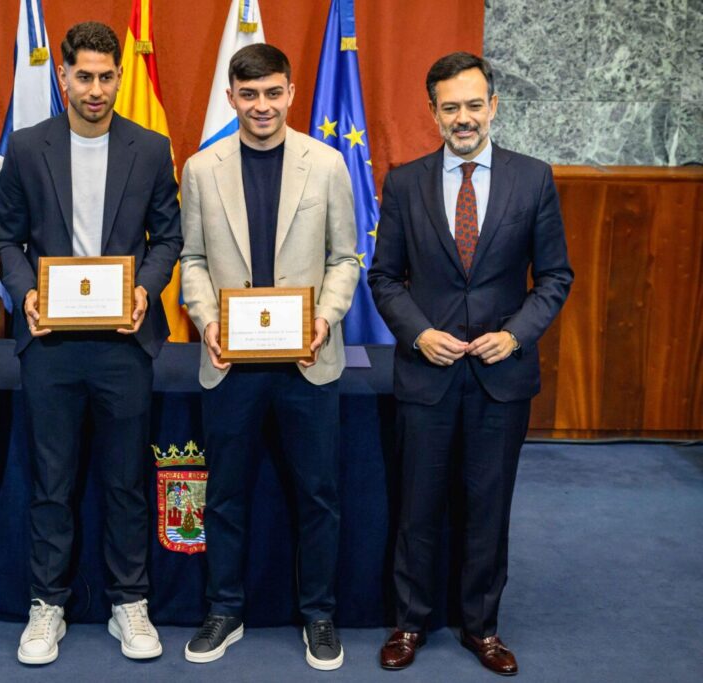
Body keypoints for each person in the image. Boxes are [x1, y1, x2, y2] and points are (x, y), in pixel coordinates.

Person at [368, 52, 573, 676]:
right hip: (426, 376)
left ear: (494, 106)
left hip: (500, 378)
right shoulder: (404, 182)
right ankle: (409, 623)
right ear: (432, 113)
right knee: (417, 506)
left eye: (474, 104)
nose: (464, 117)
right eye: (450, 106)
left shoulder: (532, 179)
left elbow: (555, 277)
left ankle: (482, 627)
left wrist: (513, 337)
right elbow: (384, 278)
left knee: (489, 506)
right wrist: (419, 333)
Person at [0, 21, 182, 664]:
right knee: (52, 480)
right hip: (49, 343)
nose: (96, 89)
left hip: (124, 342)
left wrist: (144, 291)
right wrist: (28, 296)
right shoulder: (25, 148)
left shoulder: (152, 149)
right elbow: (6, 240)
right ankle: (47, 605)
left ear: (119, 77)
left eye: (107, 77)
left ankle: (131, 603)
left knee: (127, 480)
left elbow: (169, 240)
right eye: (84, 76)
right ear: (63, 77)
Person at [178, 43, 359, 671]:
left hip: (308, 361)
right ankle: (224, 610)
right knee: (225, 495)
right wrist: (206, 323)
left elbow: (345, 258)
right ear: (231, 97)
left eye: (273, 92)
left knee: (318, 495)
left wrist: (324, 318)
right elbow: (192, 260)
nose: (262, 105)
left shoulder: (328, 163)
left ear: (290, 93)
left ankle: (320, 615)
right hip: (230, 361)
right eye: (248, 94)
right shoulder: (201, 169)